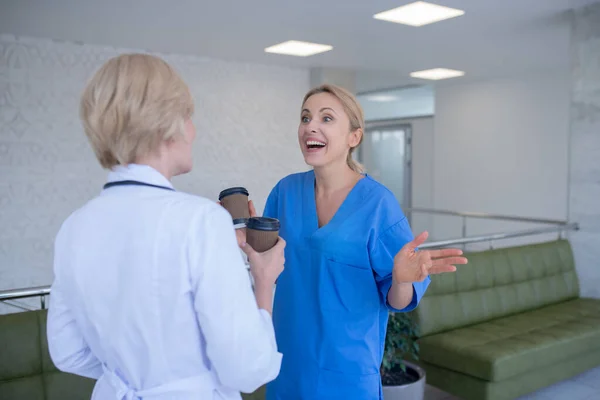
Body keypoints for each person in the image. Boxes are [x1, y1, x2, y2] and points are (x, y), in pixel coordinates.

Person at [47, 53, 285, 400]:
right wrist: (263, 281)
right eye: (188, 117)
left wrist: (141, 375)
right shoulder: (202, 221)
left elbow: (67, 351)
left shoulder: (73, 228)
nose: (193, 130)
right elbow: (248, 368)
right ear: (165, 124)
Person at [249, 84, 468, 400]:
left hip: (347, 374)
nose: (311, 125)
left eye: (326, 118)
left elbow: (396, 298)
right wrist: (247, 238)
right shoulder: (285, 192)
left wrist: (403, 280)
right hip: (289, 364)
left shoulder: (377, 204)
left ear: (354, 137)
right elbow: (266, 265)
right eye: (305, 117)